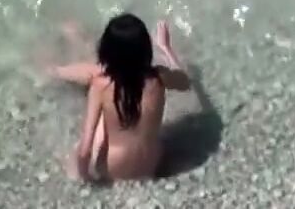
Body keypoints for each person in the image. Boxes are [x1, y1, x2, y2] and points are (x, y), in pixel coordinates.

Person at [49, 13, 191, 182]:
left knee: (99, 81)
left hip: (113, 169)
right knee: (104, 78)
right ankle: (70, 47)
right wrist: (166, 47)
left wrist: (86, 180)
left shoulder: (101, 86)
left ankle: (53, 70)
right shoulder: (160, 76)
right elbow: (185, 82)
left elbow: (85, 149)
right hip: (151, 165)